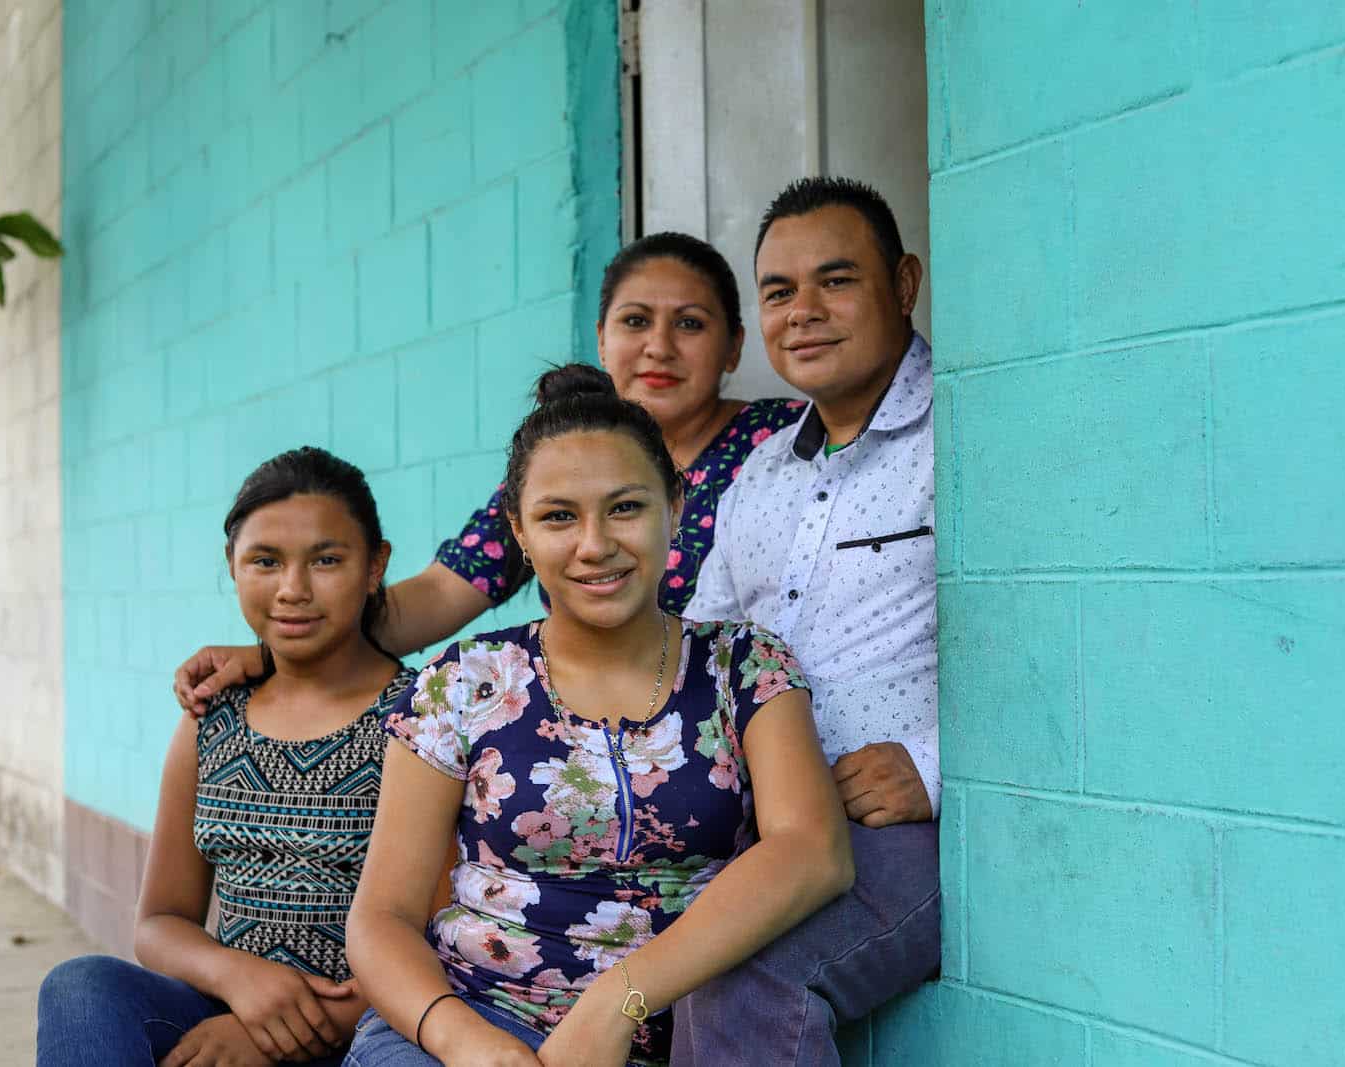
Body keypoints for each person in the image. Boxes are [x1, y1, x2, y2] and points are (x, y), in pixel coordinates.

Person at [338, 366, 853, 1066]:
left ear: (675, 503)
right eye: (558, 516)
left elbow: (812, 851)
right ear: (519, 530)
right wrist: (468, 1044)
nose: (594, 544)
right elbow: (381, 918)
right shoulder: (462, 681)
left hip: (685, 1036)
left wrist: (620, 998)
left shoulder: (747, 668)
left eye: (625, 508)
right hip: (470, 1024)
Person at [169, 233, 807, 712]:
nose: (659, 347)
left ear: (734, 346)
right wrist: (276, 654)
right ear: (602, 337)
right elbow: (429, 602)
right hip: (594, 744)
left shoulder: (785, 444)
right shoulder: (550, 472)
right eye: (635, 321)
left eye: (690, 324)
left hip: (757, 725)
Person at [672, 177, 942, 1066]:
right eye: (780, 292)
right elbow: (696, 648)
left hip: (894, 833)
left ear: (903, 285)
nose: (804, 312)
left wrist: (935, 768)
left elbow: (1070, 648)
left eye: (837, 280)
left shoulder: (968, 436)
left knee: (744, 983)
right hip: (766, 824)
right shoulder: (762, 478)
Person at [37, 448, 416, 1067]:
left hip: (376, 1020)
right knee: (81, 988)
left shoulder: (420, 716)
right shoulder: (212, 719)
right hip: (231, 1005)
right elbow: (159, 920)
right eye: (265, 561)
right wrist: (240, 981)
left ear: (375, 566)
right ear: (232, 566)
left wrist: (279, 1032)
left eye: (326, 560)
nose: (293, 590)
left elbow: (446, 932)